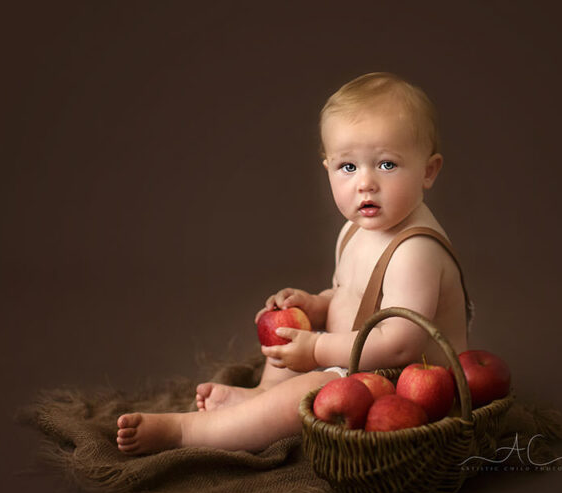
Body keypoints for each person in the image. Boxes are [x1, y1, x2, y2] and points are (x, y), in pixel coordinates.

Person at [116, 71, 470, 454]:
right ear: (328, 170)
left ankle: (189, 432)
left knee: (310, 388)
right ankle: (262, 394)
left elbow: (400, 345)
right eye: (348, 167)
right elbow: (348, 295)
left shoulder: (415, 250)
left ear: (428, 171)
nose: (365, 183)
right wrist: (315, 306)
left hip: (406, 392)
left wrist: (317, 350)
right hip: (356, 365)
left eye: (386, 165)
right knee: (289, 338)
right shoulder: (355, 229)